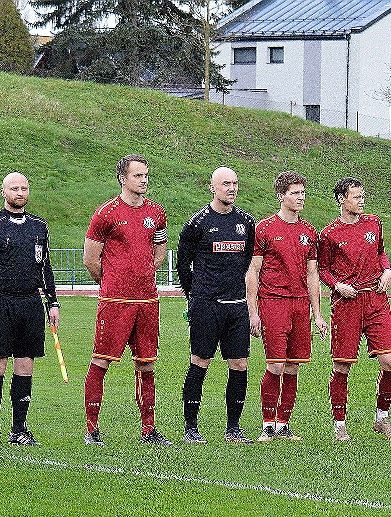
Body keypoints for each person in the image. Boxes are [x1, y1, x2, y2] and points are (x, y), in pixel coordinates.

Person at [82, 154, 170, 446]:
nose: (144, 180)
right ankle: (92, 429)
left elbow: (159, 253)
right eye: (138, 176)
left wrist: (142, 273)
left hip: (147, 299)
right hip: (115, 300)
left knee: (146, 364)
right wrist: (111, 281)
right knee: (102, 361)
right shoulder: (105, 213)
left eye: (146, 175)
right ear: (123, 179)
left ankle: (149, 430)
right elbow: (90, 259)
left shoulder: (157, 213)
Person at [0, 172, 59, 446]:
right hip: (1, 301)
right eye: (14, 188)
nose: (20, 193)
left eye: (24, 188)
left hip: (30, 303)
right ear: (3, 192)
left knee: (25, 364)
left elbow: (44, 266)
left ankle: (19, 429)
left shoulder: (39, 226)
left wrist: (52, 302)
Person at [247, 170, 329, 442]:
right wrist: (253, 312)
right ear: (281, 196)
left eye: (303, 193)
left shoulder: (308, 231)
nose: (300, 197)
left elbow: (313, 274)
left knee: (293, 366)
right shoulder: (264, 228)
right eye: (295, 193)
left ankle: (283, 424)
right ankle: (267, 423)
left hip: (300, 305)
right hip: (273, 303)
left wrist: (318, 314)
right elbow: (253, 272)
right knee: (275, 366)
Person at [176, 167, 255, 444]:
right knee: (200, 361)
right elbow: (183, 266)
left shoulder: (246, 222)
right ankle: (191, 428)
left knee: (240, 363)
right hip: (206, 304)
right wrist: (195, 295)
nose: (231, 188)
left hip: (236, 305)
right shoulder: (196, 223)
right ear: (212, 187)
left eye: (235, 183)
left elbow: (246, 262)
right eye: (225, 184)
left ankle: (233, 429)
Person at [318, 177, 391, 441]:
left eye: (362, 196)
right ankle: (339, 424)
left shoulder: (374, 223)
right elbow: (322, 270)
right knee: (342, 365)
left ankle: (382, 418)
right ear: (342, 200)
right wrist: (338, 286)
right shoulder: (329, 234)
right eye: (356, 197)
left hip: (376, 300)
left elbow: (381, 253)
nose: (361, 201)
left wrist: (387, 270)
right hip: (347, 304)